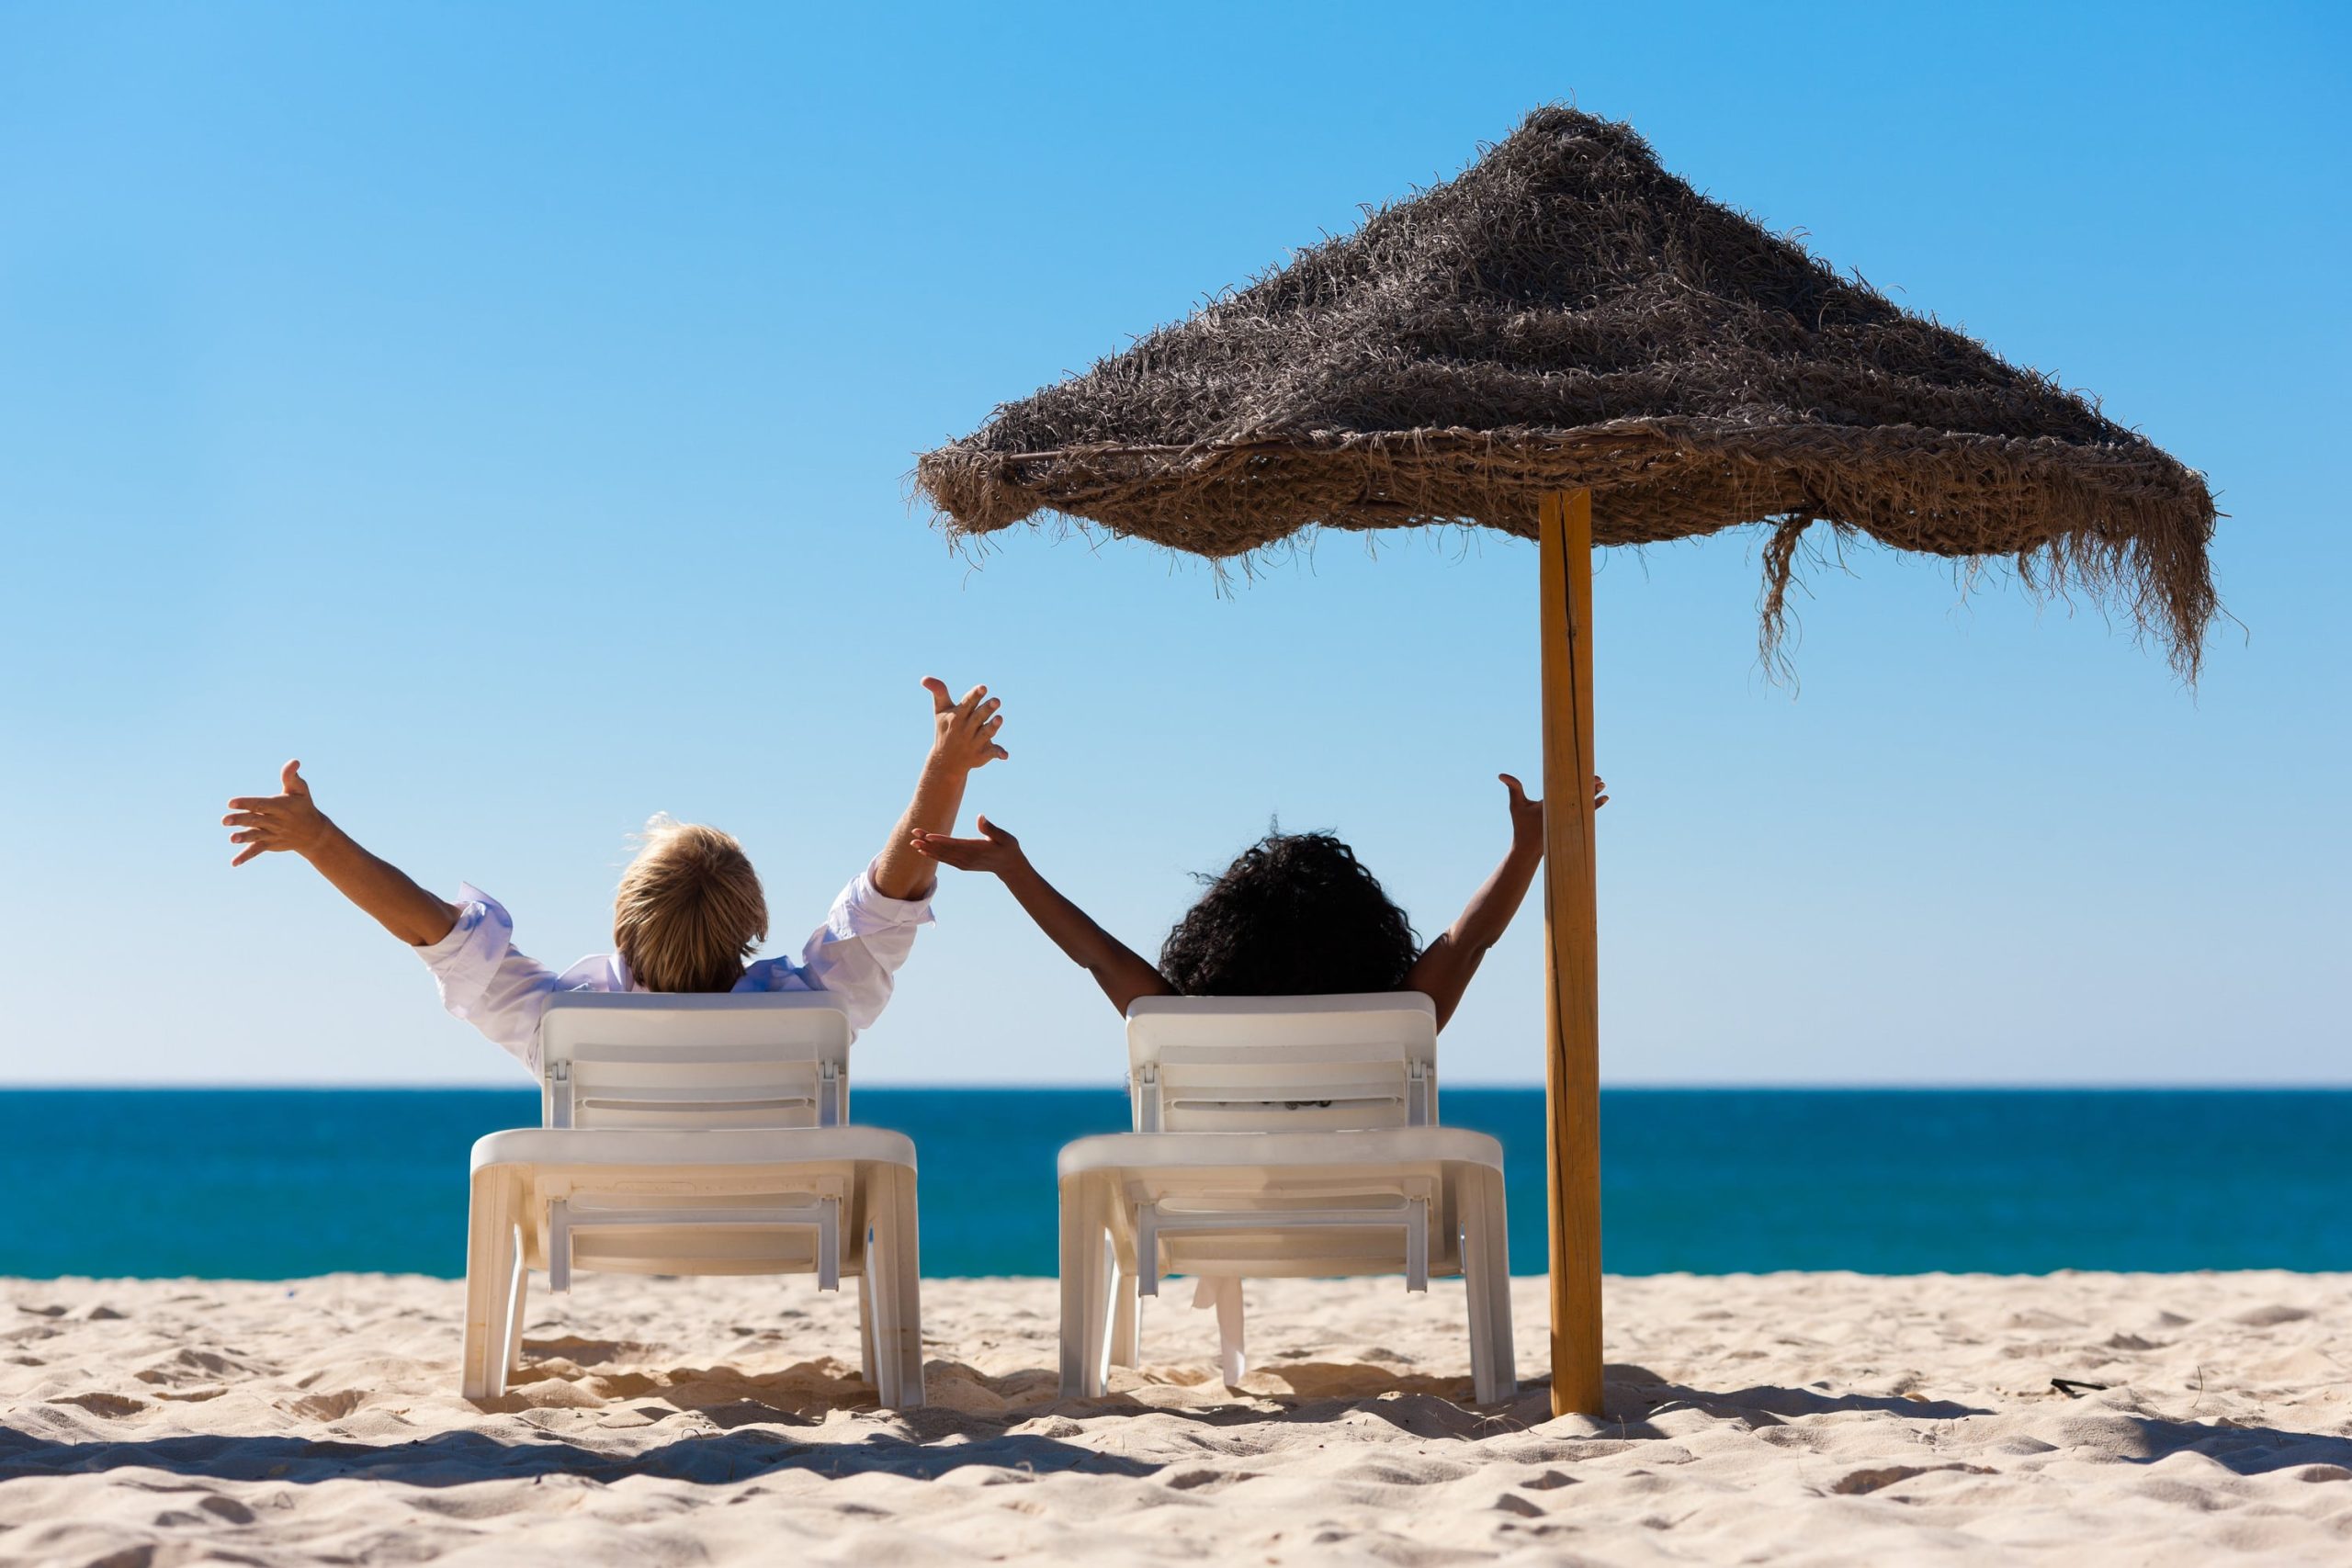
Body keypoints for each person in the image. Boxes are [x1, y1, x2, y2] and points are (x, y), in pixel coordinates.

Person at [221, 678, 1008, 1073]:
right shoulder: (813, 1011)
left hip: (603, 1225)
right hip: (784, 1216)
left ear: (621, 927)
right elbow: (886, 900)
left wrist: (319, 839)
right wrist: (943, 771)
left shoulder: (565, 1024)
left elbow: (432, 929)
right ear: (753, 926)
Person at [910, 773, 1604, 1029]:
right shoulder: (1400, 1015)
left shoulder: (1177, 1021)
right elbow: (1467, 941)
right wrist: (1527, 850)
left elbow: (1096, 955)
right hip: (1369, 1204)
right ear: (1366, 931)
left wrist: (1014, 869)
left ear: (1219, 934)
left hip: (1209, 1202)